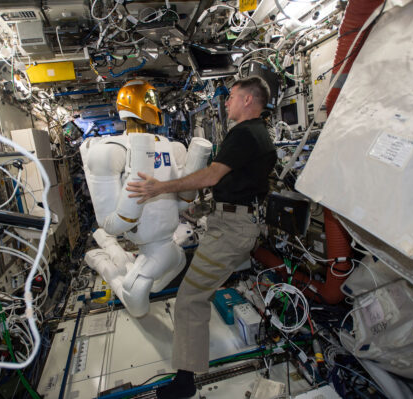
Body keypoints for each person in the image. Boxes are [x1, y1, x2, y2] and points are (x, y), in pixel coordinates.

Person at [126, 76, 277, 399]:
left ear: (248, 100)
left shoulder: (245, 134)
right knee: (197, 292)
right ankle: (186, 375)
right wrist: (197, 211)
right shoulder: (261, 134)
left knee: (190, 299)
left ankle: (184, 384)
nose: (227, 102)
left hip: (231, 230)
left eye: (232, 96)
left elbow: (212, 175)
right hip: (235, 223)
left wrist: (159, 187)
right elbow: (237, 185)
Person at [80, 79, 212, 318]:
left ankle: (115, 254)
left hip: (167, 240)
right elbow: (112, 222)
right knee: (137, 302)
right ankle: (101, 258)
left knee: (155, 276)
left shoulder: (169, 146)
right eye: (149, 99)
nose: (154, 105)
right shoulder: (111, 149)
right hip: (144, 236)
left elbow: (182, 200)